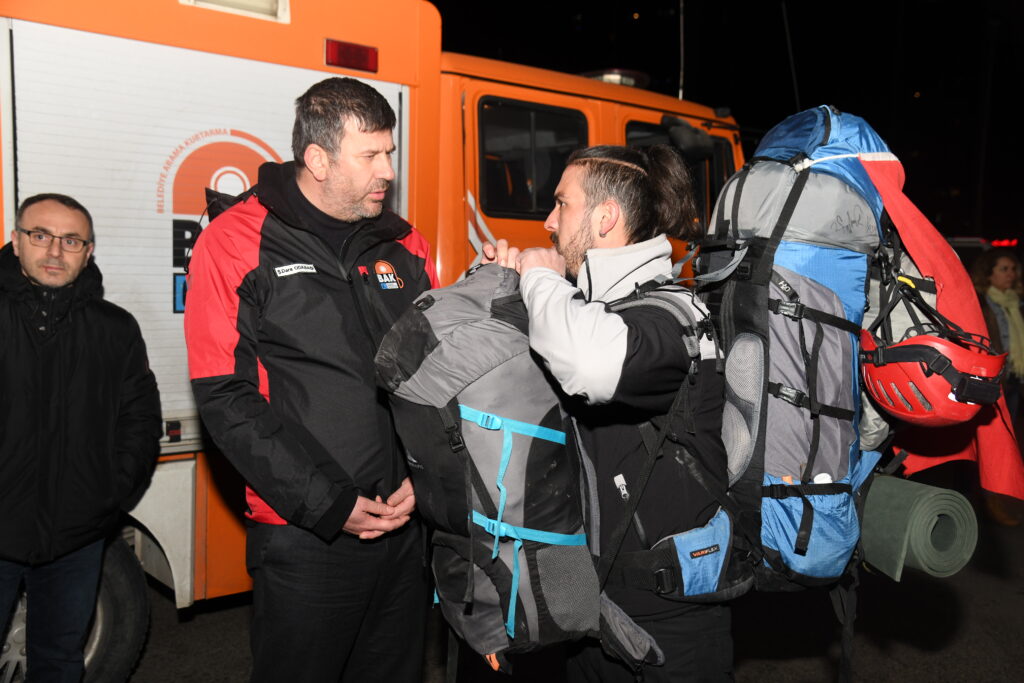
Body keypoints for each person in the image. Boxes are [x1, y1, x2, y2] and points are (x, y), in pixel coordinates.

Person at [184, 77, 437, 683]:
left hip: (404, 526)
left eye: (390, 153)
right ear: (318, 160)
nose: (386, 170)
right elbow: (225, 398)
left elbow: (432, 378)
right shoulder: (235, 241)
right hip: (304, 535)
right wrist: (329, 504)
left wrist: (424, 477)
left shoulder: (405, 244)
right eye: (370, 155)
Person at [484, 145, 732, 681]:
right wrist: (504, 286)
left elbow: (591, 364)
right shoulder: (593, 308)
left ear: (605, 218)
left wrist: (540, 280)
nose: (548, 222)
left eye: (561, 204)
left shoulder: (675, 313)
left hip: (671, 615)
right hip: (592, 602)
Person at [0, 193, 161, 681]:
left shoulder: (115, 329)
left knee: (60, 665)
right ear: (15, 240)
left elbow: (140, 421)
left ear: (88, 251)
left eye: (71, 241)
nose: (54, 251)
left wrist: (108, 499)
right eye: (40, 235)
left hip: (76, 540)